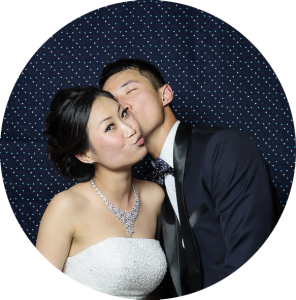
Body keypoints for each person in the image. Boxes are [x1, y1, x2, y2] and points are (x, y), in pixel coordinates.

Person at [99, 59, 278, 297]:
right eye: (112, 102)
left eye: (130, 91)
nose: (122, 106)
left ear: (165, 95)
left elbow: (248, 251)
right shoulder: (141, 186)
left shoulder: (224, 148)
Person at [35, 86, 167, 299]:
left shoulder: (154, 197)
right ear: (85, 154)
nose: (130, 128)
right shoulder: (67, 206)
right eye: (110, 127)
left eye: (123, 114)